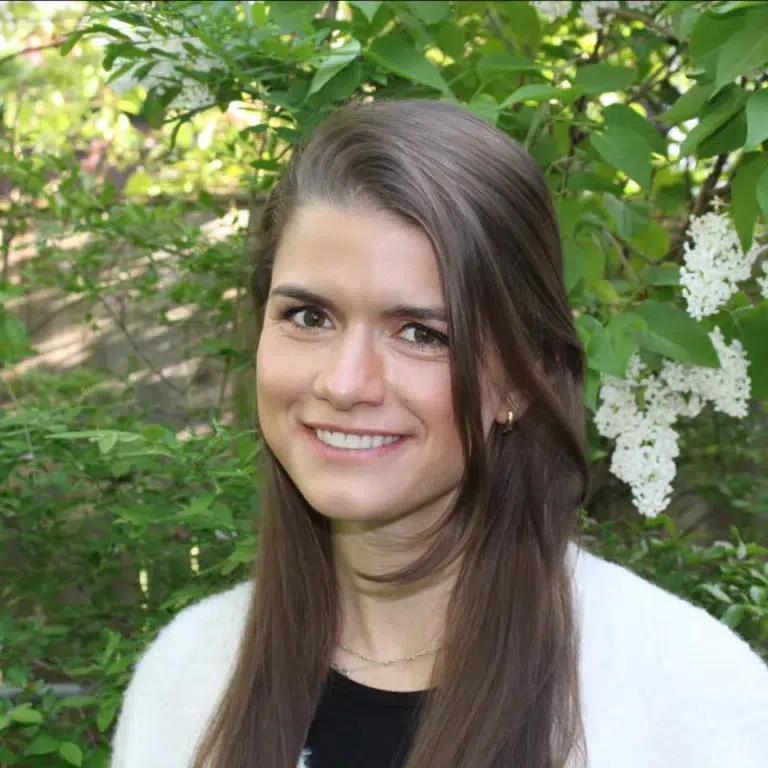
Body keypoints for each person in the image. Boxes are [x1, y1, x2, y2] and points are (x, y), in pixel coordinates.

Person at [110, 99, 768, 768]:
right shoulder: (188, 683)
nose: (345, 383)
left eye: (422, 334)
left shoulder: (688, 700)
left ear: (520, 377)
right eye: (309, 317)